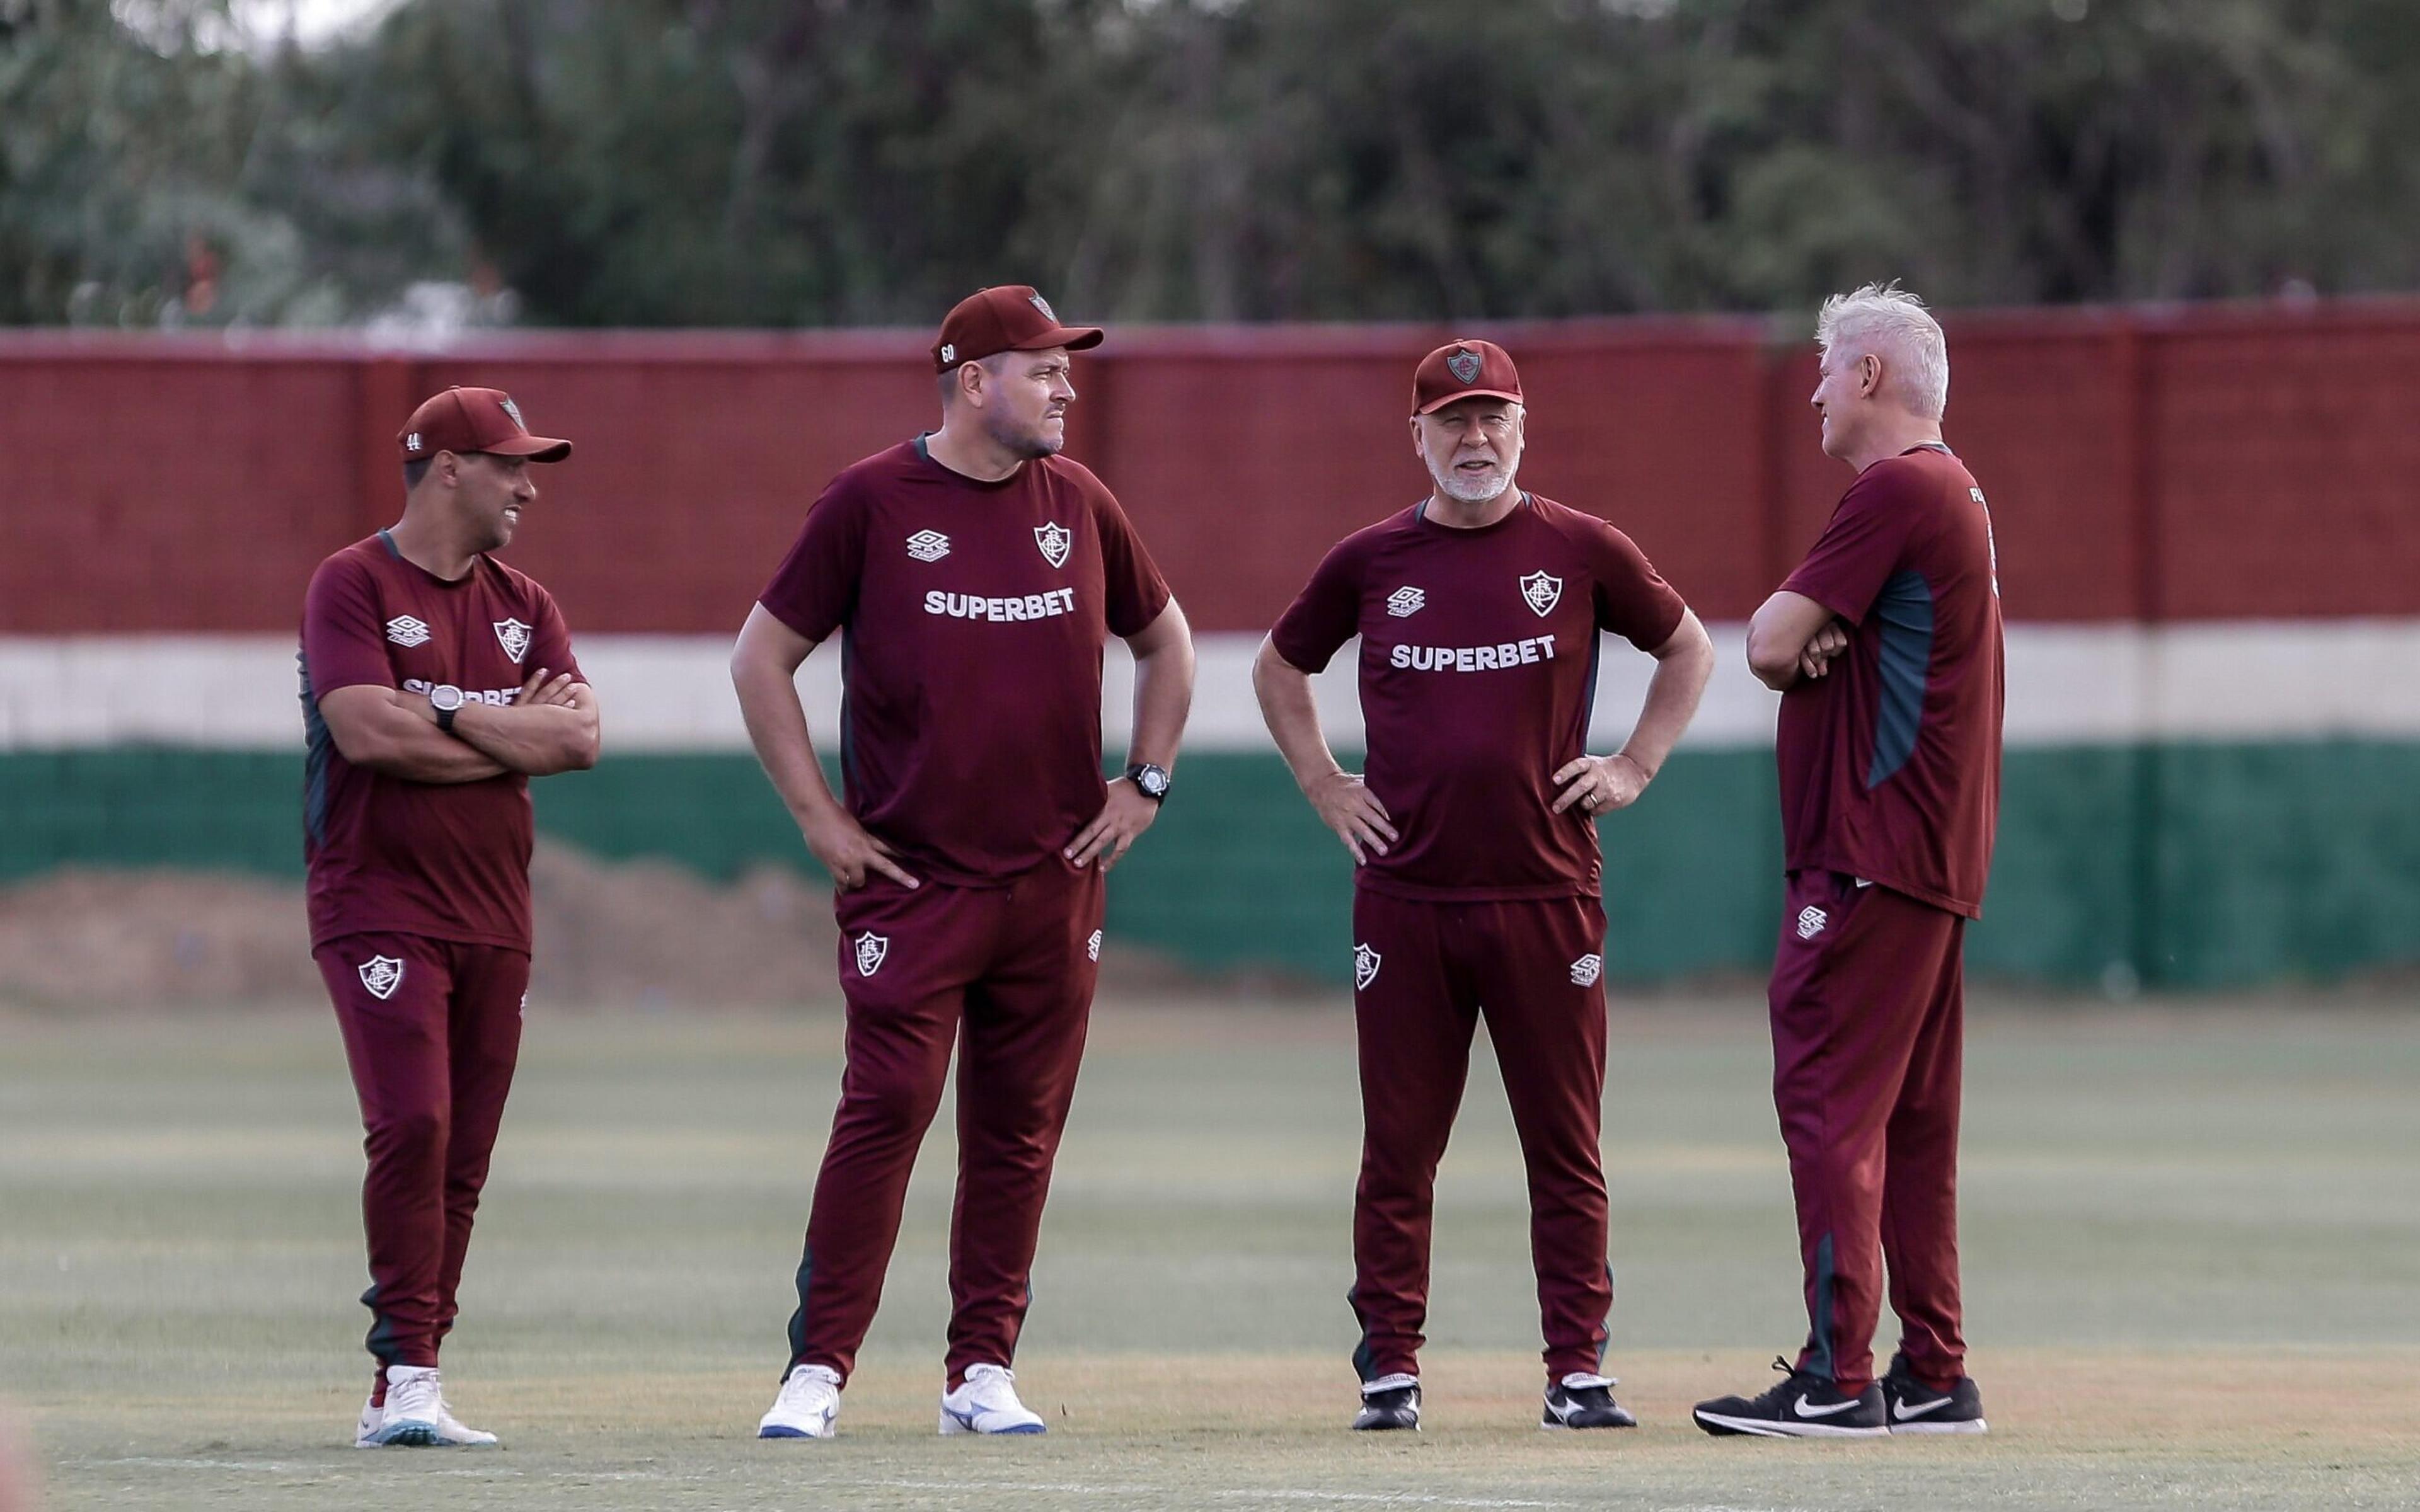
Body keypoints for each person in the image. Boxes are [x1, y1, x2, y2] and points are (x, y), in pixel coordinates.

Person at [733, 285, 1196, 1440]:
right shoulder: (871, 502)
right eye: (1043, 370)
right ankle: (819, 1370)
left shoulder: (1080, 502)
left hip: (1053, 880)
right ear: (973, 378)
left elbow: (1166, 641)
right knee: (886, 1104)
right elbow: (761, 659)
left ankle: (980, 1370)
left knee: (1018, 1129)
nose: (1065, 389)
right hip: (912, 879)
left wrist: (1145, 782)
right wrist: (819, 820)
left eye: (1067, 370)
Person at [1254, 339, 1714, 1433]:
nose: (1475, 440)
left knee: (1566, 1145)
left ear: (1523, 427)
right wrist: (1324, 784)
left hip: (1548, 896)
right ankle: (1391, 1370)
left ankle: (1575, 1372)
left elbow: (1688, 647)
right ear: (1416, 437)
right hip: (1406, 902)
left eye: (1492, 419)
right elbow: (1279, 667)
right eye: (1452, 422)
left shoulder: (1581, 547)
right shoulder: (1371, 562)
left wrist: (1635, 765)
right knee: (1400, 1147)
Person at [1693, 283, 2003, 1439]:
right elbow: (1803, 641)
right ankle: (1934, 1373)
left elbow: (1772, 642)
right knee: (1912, 1123)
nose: (1816, 389)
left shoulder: (1898, 487)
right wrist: (1821, 634)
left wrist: (1808, 633)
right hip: (1929, 857)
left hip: (1868, 855)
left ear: (1868, 375)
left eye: (1826, 369)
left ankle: (1837, 1375)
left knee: (1827, 1102)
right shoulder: (1954, 489)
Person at [299, 387, 601, 1448]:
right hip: (376, 903)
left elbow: (578, 742)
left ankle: (411, 1381)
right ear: (449, 470)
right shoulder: (351, 584)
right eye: (512, 465)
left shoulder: (527, 602)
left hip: (495, 911)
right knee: (413, 1123)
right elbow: (369, 733)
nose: (529, 486)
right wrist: (494, 721)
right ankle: (406, 1371)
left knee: (462, 1152)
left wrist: (436, 705)